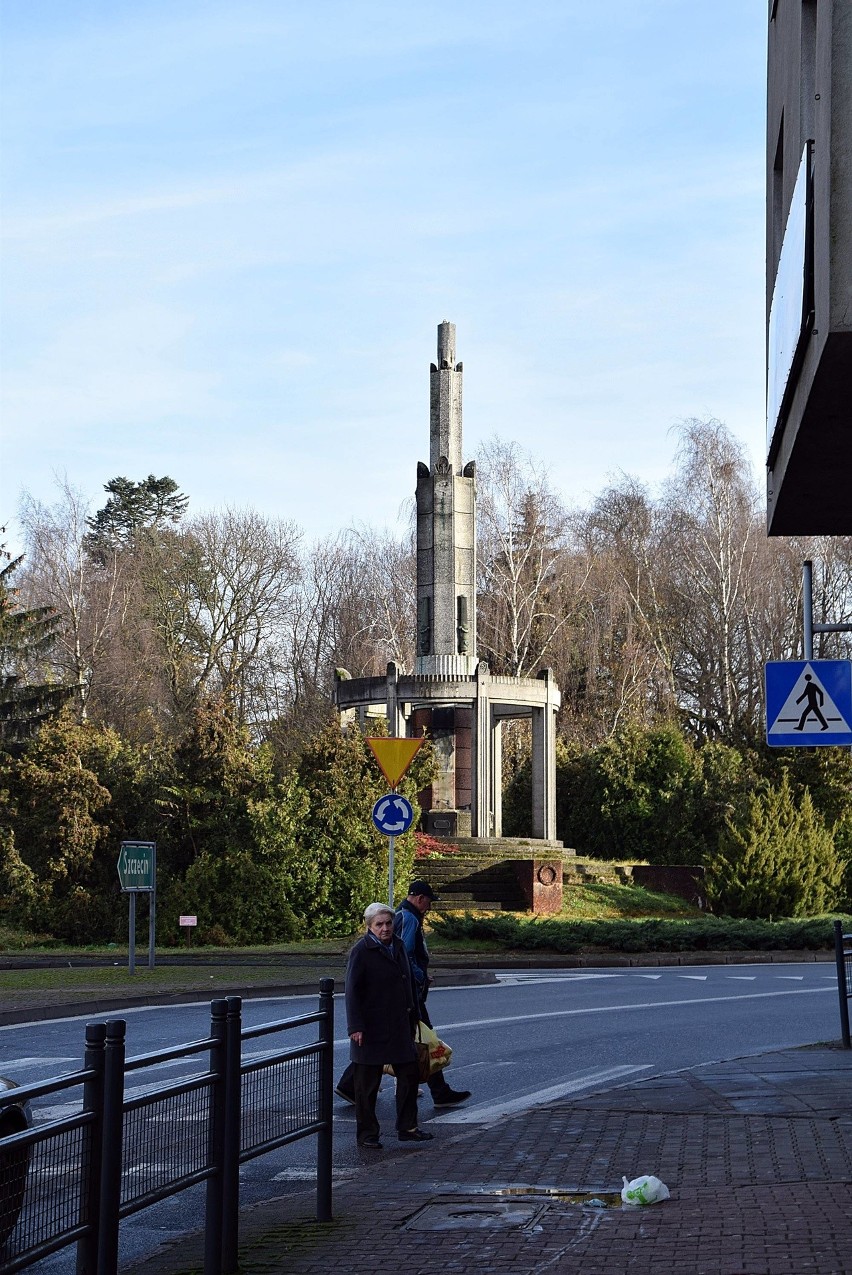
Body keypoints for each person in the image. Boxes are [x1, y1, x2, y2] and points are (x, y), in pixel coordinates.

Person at [344, 902, 434, 1149]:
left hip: (399, 1026)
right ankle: (367, 1135)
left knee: (409, 1076)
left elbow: (406, 983)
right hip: (371, 1029)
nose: (385, 928)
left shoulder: (399, 945)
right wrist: (355, 1027)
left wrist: (415, 1014)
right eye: (379, 924)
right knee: (367, 1086)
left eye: (388, 923)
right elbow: (352, 991)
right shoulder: (361, 951)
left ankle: (408, 1127)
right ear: (369, 927)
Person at [394, 879, 471, 1108]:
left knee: (398, 1038)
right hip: (409, 992)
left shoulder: (403, 914)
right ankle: (440, 1092)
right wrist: (418, 975)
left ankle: (349, 1085)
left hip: (405, 989)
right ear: (419, 899)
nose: (429, 907)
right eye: (428, 902)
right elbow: (406, 953)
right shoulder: (409, 918)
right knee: (426, 1039)